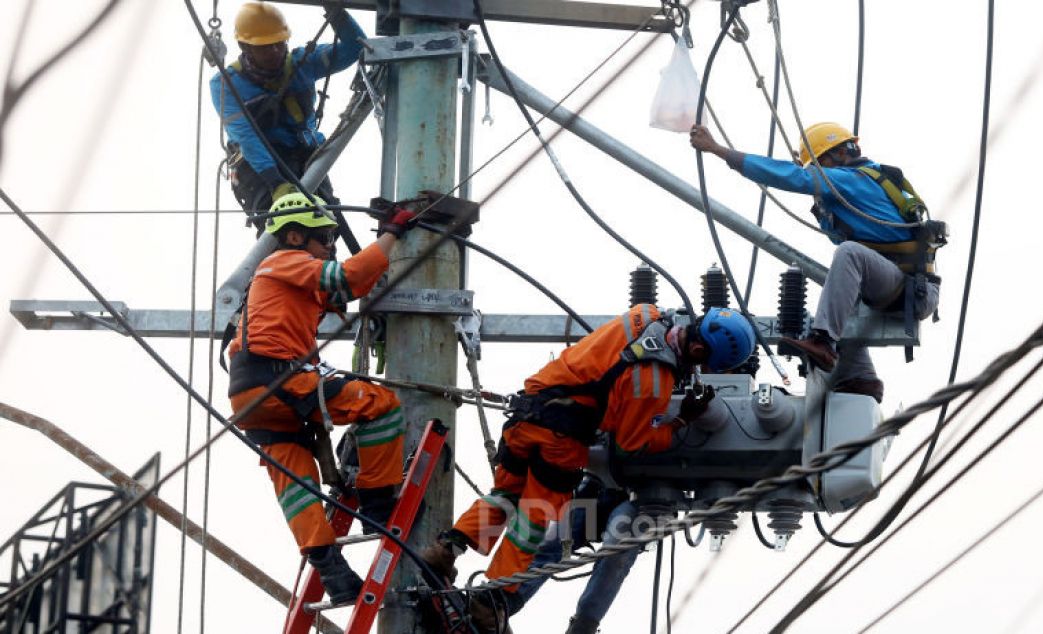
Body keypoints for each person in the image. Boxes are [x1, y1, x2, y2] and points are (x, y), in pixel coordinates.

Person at [420, 304, 757, 632]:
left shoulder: (645, 315)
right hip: (560, 438)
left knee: (505, 497)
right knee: (533, 517)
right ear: (697, 349)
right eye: (704, 362)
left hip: (524, 414)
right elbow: (632, 444)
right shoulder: (654, 380)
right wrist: (682, 420)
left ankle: (446, 549)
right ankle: (491, 598)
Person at [227, 191, 416, 603]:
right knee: (379, 406)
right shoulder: (283, 262)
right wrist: (392, 233)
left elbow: (347, 287)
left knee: (295, 481)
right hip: (281, 381)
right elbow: (347, 277)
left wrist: (379, 255)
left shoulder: (284, 281)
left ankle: (332, 571)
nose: (330, 244)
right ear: (294, 237)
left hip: (250, 397)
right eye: (324, 236)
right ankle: (378, 504)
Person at [690, 121, 943, 402]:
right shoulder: (859, 183)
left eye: (818, 164)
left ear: (834, 157)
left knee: (848, 255)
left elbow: (791, 177)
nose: (816, 170)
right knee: (837, 294)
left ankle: (823, 344)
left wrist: (717, 150)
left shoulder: (852, 180)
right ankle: (860, 378)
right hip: (897, 285)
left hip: (910, 290)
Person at [211, 2, 366, 224]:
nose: (275, 52)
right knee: (283, 230)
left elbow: (355, 47)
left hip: (306, 156)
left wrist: (336, 13)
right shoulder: (226, 84)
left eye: (279, 44)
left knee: (325, 228)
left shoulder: (303, 63)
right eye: (264, 47)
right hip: (261, 167)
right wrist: (275, 182)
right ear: (245, 47)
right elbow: (246, 136)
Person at [515, 475, 639, 634]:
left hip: (638, 497)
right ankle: (501, 605)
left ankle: (583, 627)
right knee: (553, 542)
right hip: (596, 489)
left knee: (614, 555)